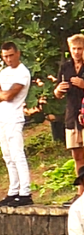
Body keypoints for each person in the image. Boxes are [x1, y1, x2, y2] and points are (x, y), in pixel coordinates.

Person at [0, 42, 33, 208]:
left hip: (15, 117)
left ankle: (25, 191)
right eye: (5, 56)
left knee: (17, 155)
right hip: (2, 118)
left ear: (17, 54)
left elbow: (8, 95)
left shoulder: (22, 73)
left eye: (10, 55)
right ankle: (13, 190)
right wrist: (0, 94)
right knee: (7, 156)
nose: (8, 59)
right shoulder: (4, 73)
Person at [54, 34, 84, 205]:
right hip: (72, 115)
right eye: (74, 49)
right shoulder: (65, 67)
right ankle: (80, 193)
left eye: (80, 48)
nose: (77, 52)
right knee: (77, 155)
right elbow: (56, 93)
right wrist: (59, 89)